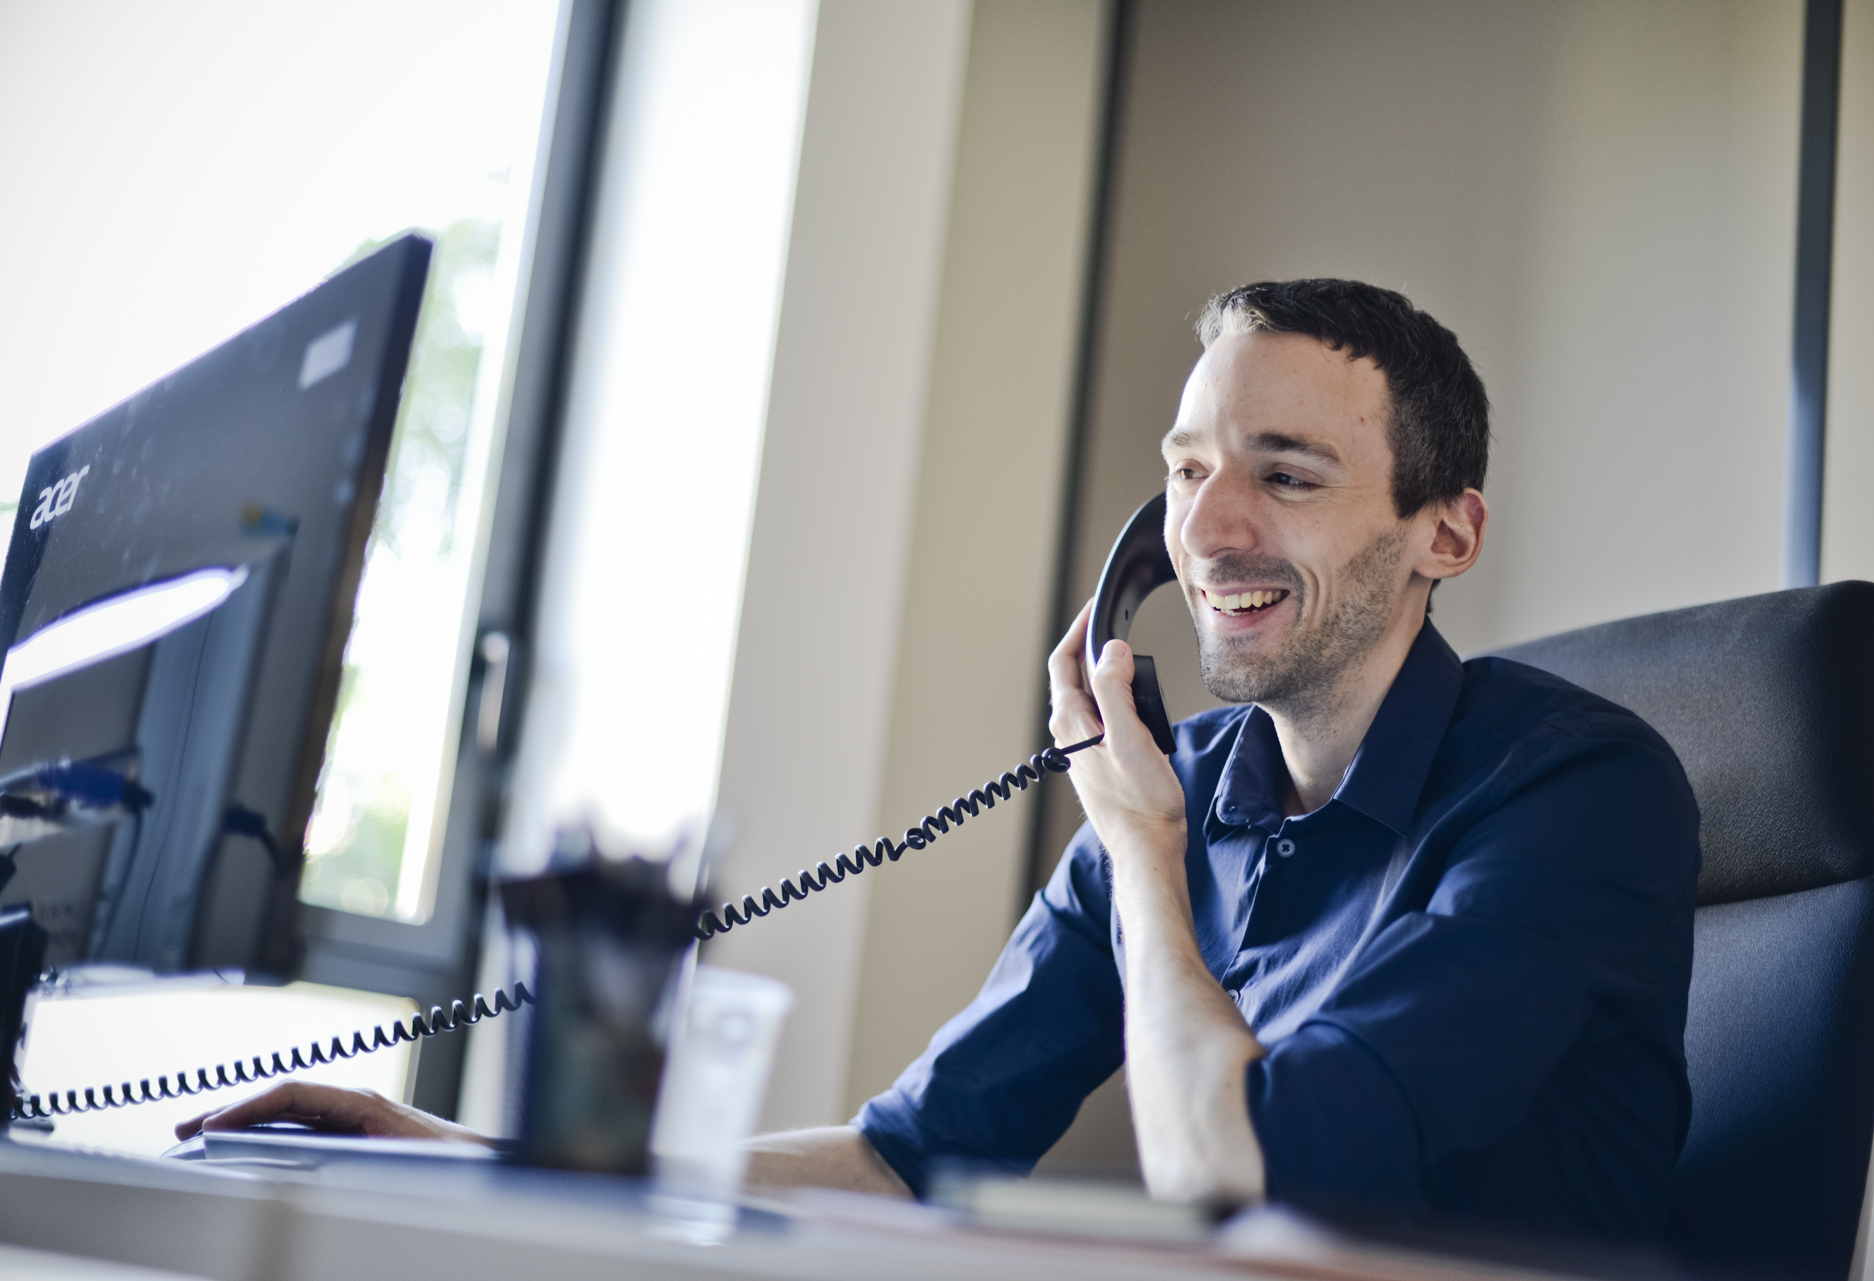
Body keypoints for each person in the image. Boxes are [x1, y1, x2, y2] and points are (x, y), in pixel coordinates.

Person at [181, 280, 1699, 1245]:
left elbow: (1237, 1169)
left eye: (1285, 476)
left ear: (1446, 532)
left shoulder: (1574, 793)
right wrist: (469, 1152)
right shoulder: (1186, 782)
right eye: (1185, 474)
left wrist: (1143, 859)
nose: (1209, 530)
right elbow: (907, 1153)